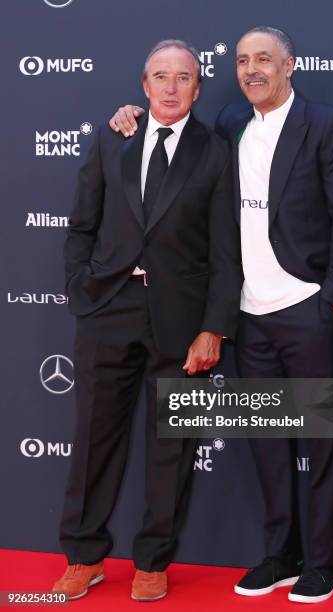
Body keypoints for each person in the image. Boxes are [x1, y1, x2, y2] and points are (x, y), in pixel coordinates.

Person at [109, 26, 333, 604]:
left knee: (324, 442)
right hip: (248, 317)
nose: (252, 69)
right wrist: (131, 116)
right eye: (241, 61)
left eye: (264, 59)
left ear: (289, 66)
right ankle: (281, 554)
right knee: (267, 442)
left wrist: (330, 300)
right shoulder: (231, 124)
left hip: (308, 308)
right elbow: (172, 135)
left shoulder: (327, 124)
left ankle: (325, 564)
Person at [52, 39, 242, 602]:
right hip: (109, 309)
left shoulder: (215, 150)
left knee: (172, 448)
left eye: (182, 76)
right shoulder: (115, 136)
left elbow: (226, 251)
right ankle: (83, 556)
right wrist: (80, 288)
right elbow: (81, 224)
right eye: (160, 76)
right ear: (143, 85)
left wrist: (213, 327)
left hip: (182, 322)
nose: (170, 86)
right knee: (93, 442)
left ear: (198, 86)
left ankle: (153, 561)